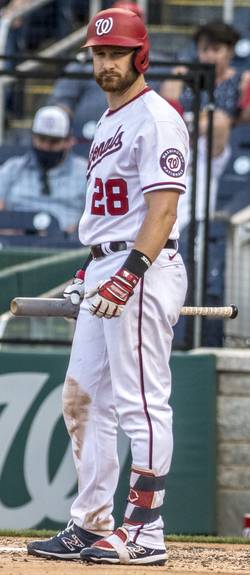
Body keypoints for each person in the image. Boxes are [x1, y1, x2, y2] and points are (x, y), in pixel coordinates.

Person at [26, 7, 189, 566]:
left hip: (140, 268)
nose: (106, 63)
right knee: (82, 400)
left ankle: (146, 530)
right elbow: (110, 215)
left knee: (141, 402)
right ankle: (91, 524)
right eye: (98, 54)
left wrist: (128, 274)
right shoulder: (108, 119)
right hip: (105, 265)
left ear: (140, 55)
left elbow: (163, 212)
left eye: (116, 53)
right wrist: (91, 271)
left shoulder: (157, 118)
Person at [0, 105, 88, 233]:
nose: (46, 146)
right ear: (32, 136)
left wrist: (70, 235)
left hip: (64, 245)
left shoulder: (86, 172)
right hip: (15, 243)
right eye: (41, 139)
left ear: (69, 140)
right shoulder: (12, 168)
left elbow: (96, 219)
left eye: (54, 141)